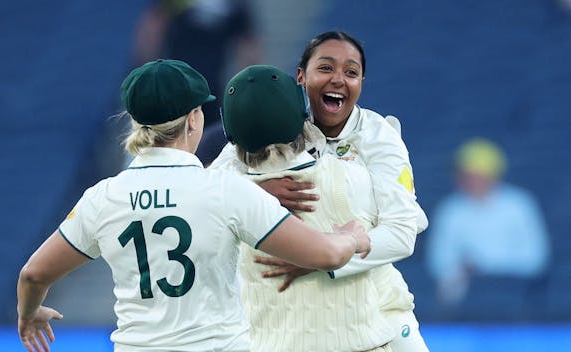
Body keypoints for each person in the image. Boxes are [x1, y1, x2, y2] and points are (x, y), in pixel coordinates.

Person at [15, 59, 372, 352]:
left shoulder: (103, 197)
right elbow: (325, 255)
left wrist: (29, 313)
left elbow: (34, 274)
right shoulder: (225, 190)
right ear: (193, 120)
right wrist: (352, 237)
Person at [212, 31, 429, 351]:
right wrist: (258, 190)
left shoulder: (378, 136)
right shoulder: (277, 123)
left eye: (351, 72)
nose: (339, 79)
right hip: (286, 323)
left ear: (361, 84)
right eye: (326, 68)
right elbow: (209, 187)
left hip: (382, 311)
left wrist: (322, 256)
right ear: (301, 77)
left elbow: (402, 234)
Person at [425, 138, 550, 307]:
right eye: (466, 175)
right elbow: (438, 261)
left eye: (477, 175)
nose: (471, 181)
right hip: (467, 297)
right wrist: (463, 270)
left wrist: (486, 267)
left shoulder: (519, 205)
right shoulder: (450, 209)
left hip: (517, 294)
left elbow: (535, 258)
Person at [132, 0, 260, 164]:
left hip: (211, 90)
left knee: (209, 149)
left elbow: (248, 44)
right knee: (167, 145)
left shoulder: (232, 5)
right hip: (175, 88)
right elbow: (153, 27)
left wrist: (247, 85)